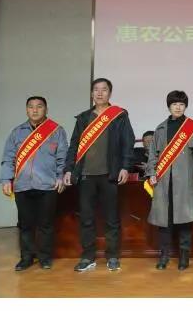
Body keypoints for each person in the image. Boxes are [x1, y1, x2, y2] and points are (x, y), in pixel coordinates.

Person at [63, 78, 135, 272]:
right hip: (86, 176)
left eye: (104, 90)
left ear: (110, 93)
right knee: (86, 219)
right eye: (96, 90)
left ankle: (112, 256)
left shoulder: (119, 116)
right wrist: (69, 169)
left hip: (109, 175)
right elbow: (74, 146)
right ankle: (88, 257)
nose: (100, 93)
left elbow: (127, 143)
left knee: (112, 219)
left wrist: (125, 167)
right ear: (91, 94)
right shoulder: (83, 118)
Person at [0, 96, 68, 271]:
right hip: (22, 185)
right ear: (26, 110)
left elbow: (63, 157)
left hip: (48, 185)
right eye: (31, 107)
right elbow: (8, 158)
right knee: (25, 224)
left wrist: (60, 177)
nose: (35, 110)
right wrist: (6, 179)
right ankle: (26, 258)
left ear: (46, 109)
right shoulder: (17, 132)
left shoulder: (56, 131)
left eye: (39, 106)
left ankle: (45, 257)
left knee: (46, 224)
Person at [144, 90, 193, 270]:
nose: (178, 107)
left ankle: (184, 258)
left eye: (181, 104)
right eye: (174, 104)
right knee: (164, 221)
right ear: (169, 106)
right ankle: (164, 256)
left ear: (185, 106)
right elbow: (153, 154)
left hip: (185, 181)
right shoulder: (160, 128)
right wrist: (151, 172)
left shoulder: (192, 127)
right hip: (163, 181)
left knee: (185, 221)